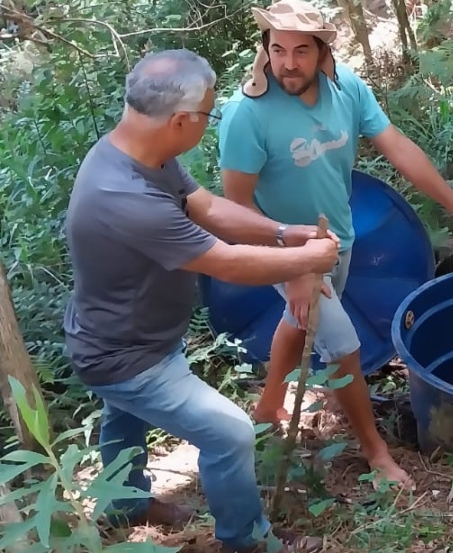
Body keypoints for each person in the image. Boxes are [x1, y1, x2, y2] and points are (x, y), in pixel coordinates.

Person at [64, 48, 339, 553]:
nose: (208, 123)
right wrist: (309, 260)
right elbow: (225, 262)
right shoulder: (124, 195)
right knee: (229, 433)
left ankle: (124, 505)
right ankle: (246, 539)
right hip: (124, 356)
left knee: (123, 418)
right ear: (181, 120)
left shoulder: (143, 153)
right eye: (208, 114)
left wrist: (284, 234)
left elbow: (206, 207)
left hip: (130, 333)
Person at [217, 0, 453, 488]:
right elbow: (237, 206)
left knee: (297, 320)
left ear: (323, 52)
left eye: (301, 51)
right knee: (343, 345)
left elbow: (399, 148)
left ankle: (268, 407)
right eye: (277, 49)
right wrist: (296, 267)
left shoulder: (347, 88)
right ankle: (376, 453)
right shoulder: (248, 113)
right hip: (285, 253)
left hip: (338, 242)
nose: (287, 63)